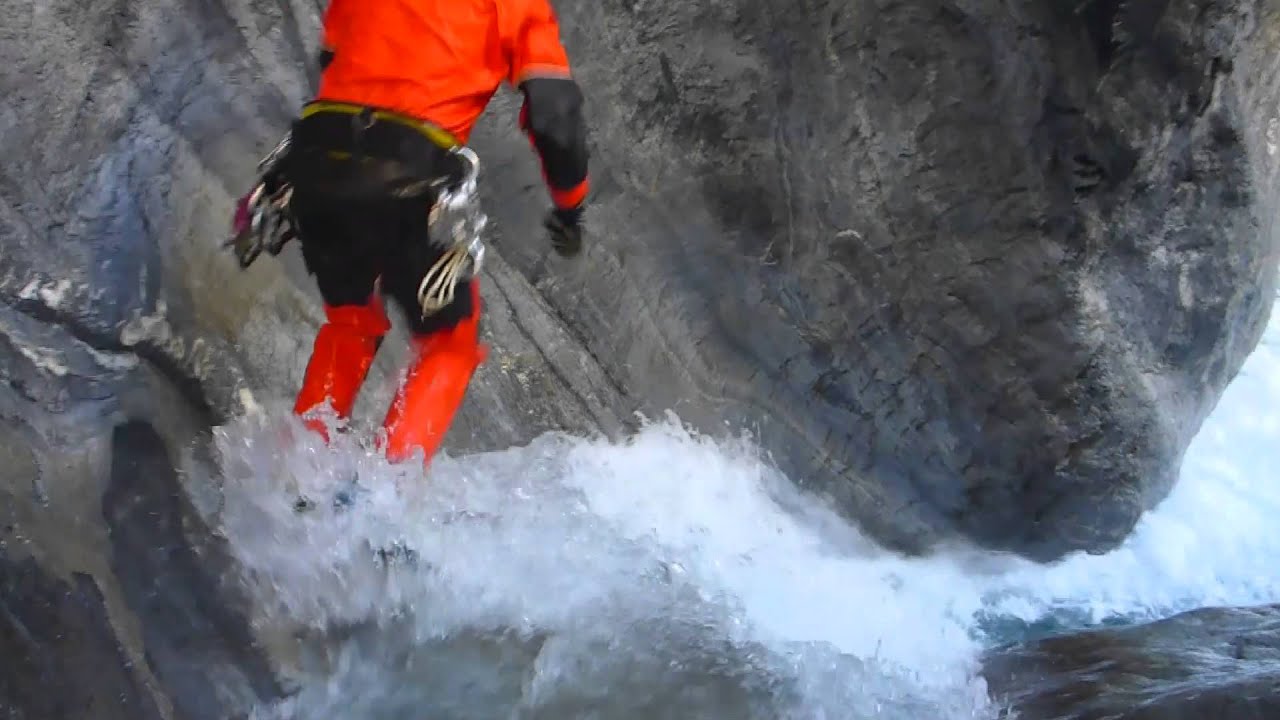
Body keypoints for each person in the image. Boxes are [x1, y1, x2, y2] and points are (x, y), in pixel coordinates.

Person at [228, 0, 590, 467]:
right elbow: (555, 116)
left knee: (351, 324)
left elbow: (336, 58)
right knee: (450, 344)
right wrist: (570, 208)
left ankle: (297, 477)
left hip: (313, 169)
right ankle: (387, 507)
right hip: (407, 176)